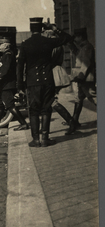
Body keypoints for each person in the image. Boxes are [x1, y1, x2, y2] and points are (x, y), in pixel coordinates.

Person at [17, 17, 72, 147]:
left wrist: (20, 86)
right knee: (46, 109)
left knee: (34, 110)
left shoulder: (25, 44)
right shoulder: (48, 42)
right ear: (42, 28)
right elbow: (68, 38)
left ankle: (36, 140)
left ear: (31, 29)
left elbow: (20, 67)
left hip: (32, 83)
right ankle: (45, 139)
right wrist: (54, 28)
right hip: (47, 80)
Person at [0, 37, 29, 132]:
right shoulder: (6, 55)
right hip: (4, 85)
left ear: (6, 45)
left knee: (10, 105)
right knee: (0, 105)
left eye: (0, 44)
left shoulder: (8, 55)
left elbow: (4, 71)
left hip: (7, 85)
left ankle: (23, 124)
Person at [44, 30, 77, 135]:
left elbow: (49, 59)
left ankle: (71, 122)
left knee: (51, 101)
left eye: (45, 34)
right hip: (56, 72)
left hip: (53, 73)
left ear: (49, 35)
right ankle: (46, 128)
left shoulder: (53, 45)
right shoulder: (57, 44)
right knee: (48, 102)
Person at [69, 27, 96, 127]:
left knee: (94, 97)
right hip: (82, 79)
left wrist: (80, 76)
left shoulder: (87, 47)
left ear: (80, 37)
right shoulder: (83, 47)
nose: (75, 39)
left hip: (86, 79)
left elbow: (86, 63)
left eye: (76, 37)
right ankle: (74, 122)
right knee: (78, 99)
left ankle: (74, 122)